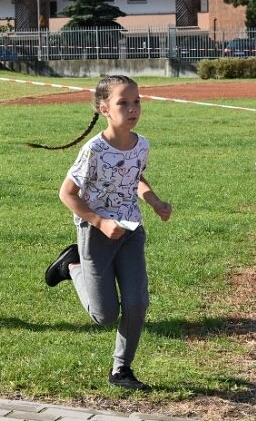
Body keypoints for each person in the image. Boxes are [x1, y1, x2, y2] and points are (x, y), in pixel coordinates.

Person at [47, 75, 172, 391]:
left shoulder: (141, 144)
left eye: (137, 102)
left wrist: (154, 201)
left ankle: (121, 370)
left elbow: (134, 177)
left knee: (137, 302)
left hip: (131, 231)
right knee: (104, 315)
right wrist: (100, 222)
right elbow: (67, 193)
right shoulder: (94, 150)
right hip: (96, 234)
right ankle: (71, 266)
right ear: (104, 108)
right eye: (123, 103)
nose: (132, 109)